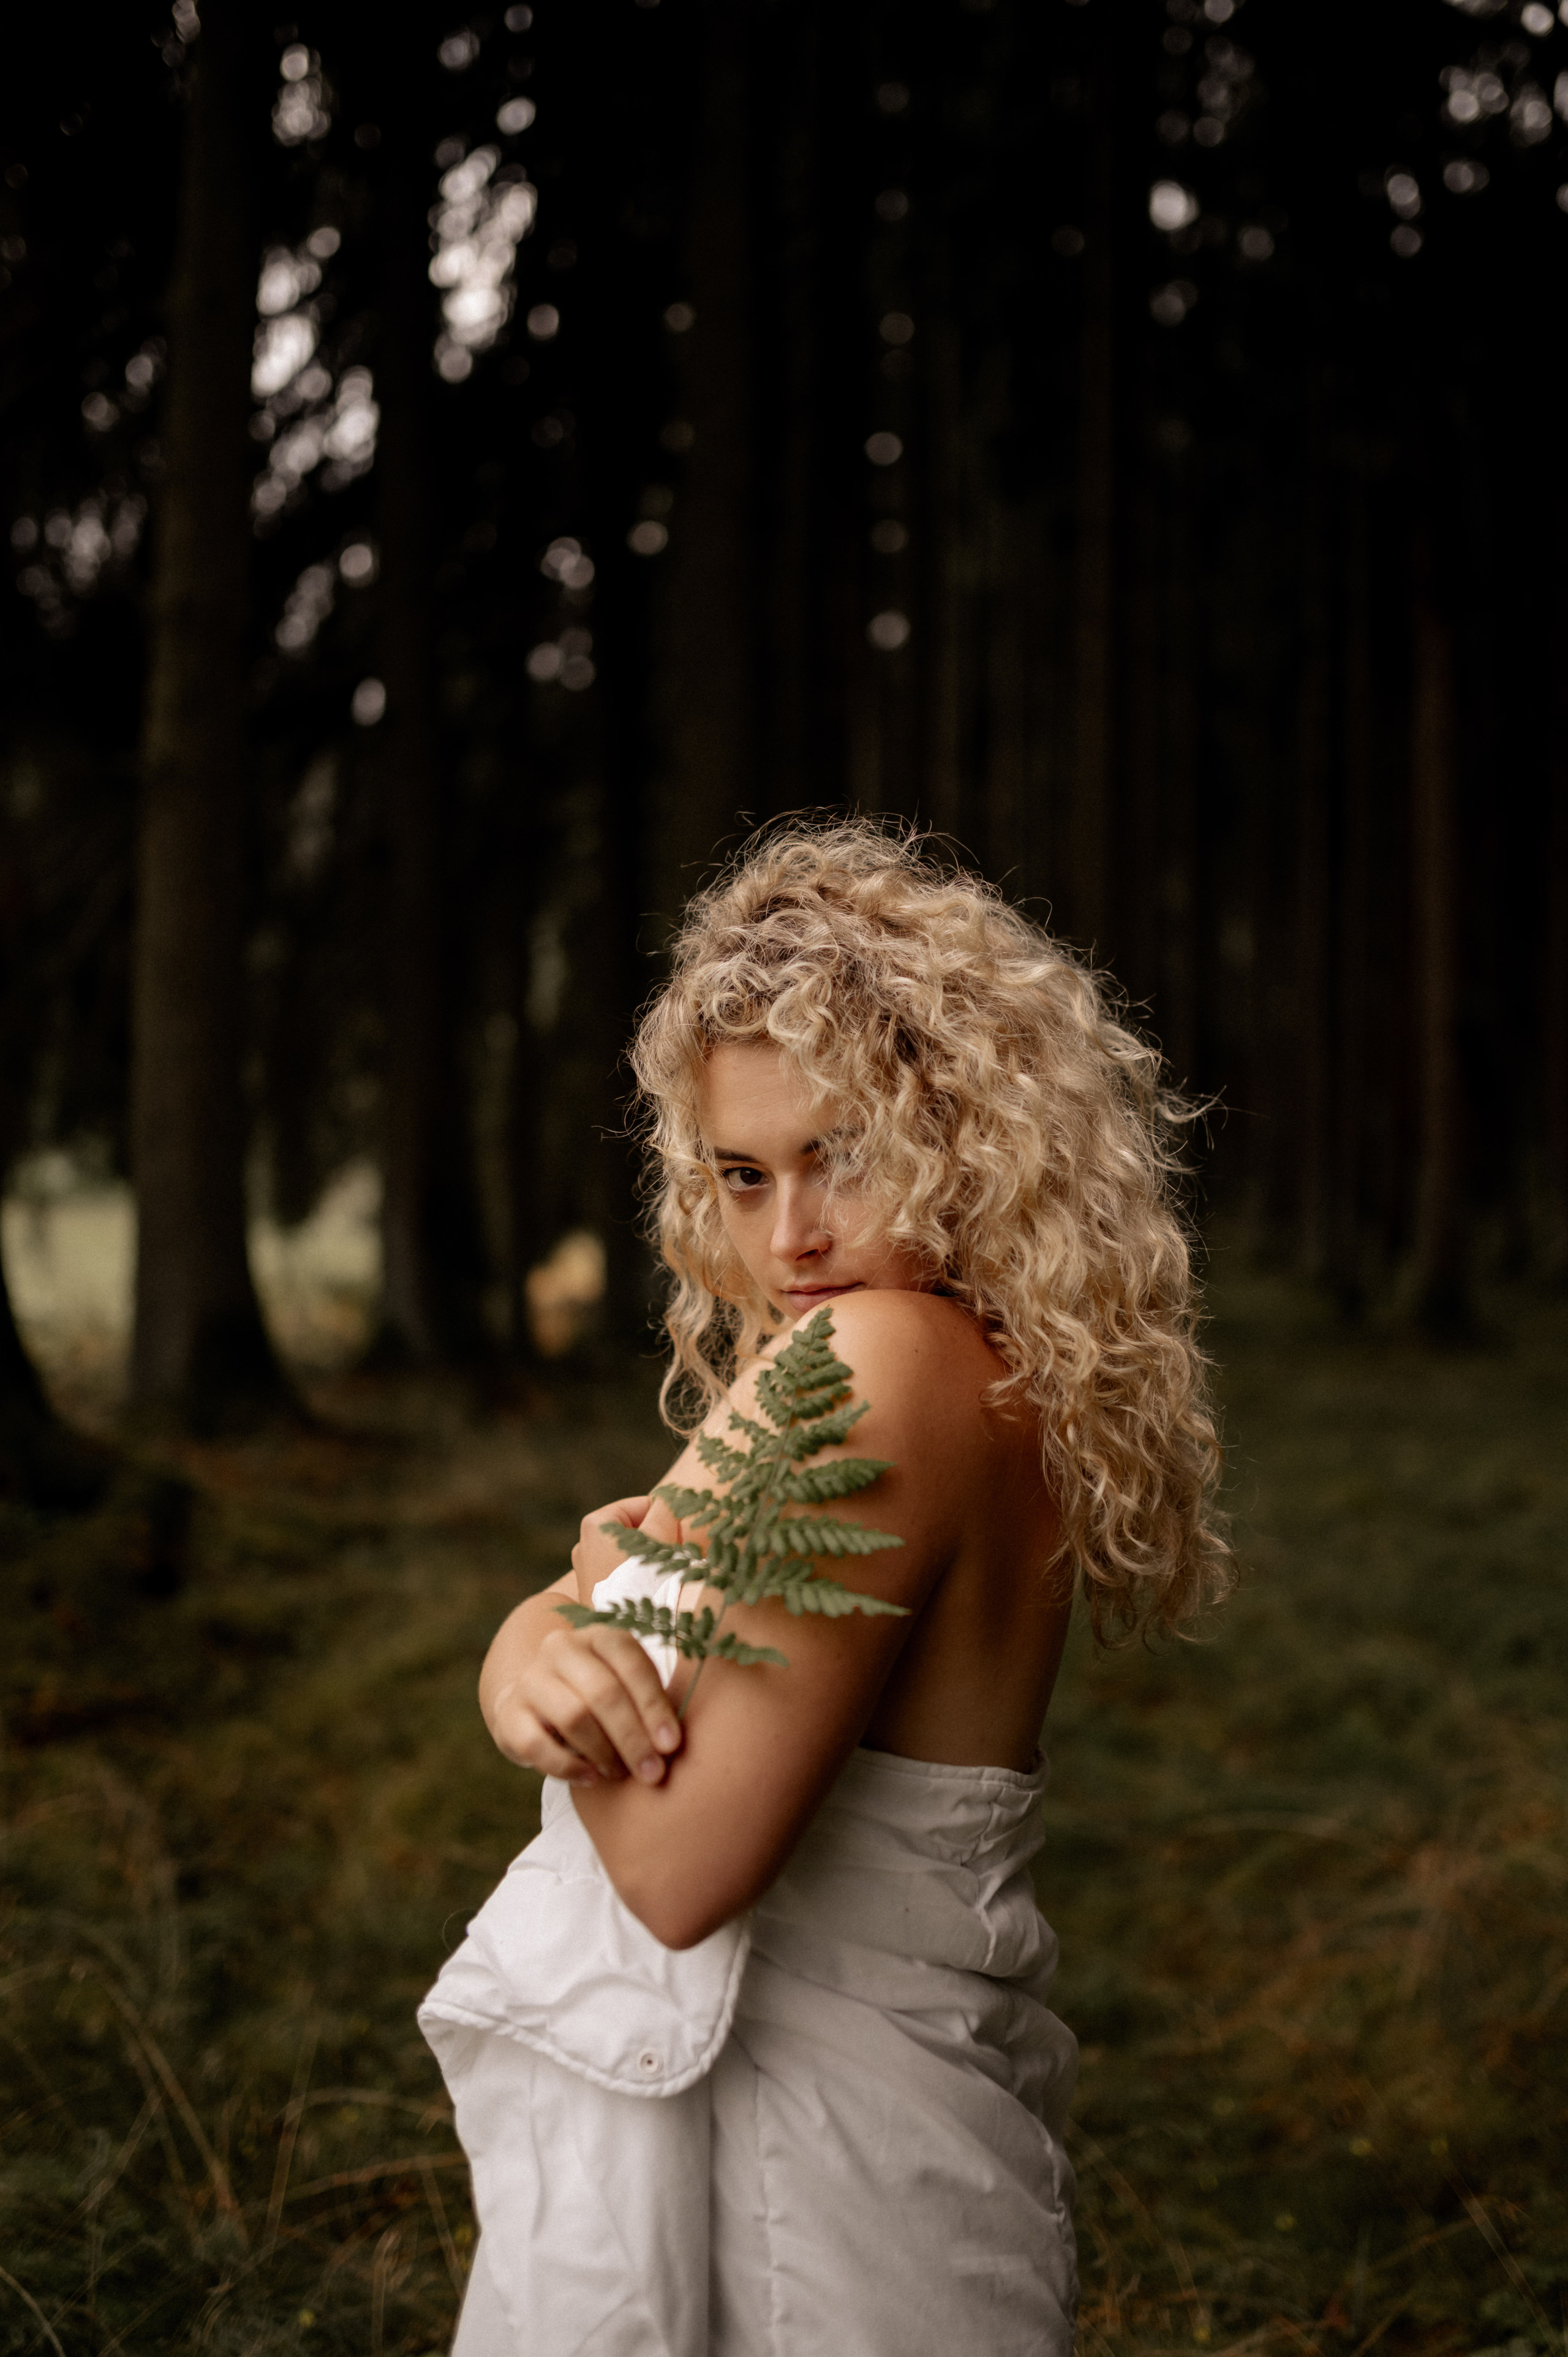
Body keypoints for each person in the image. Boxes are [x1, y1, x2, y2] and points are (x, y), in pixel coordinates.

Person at [420, 820, 1229, 2356]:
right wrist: (530, 1641)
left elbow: (673, 1870)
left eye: (839, 1157)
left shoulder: (880, 1358)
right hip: (879, 2158)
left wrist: (591, 1593)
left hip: (813, 2194)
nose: (788, 1235)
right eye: (740, 1173)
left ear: (965, 1138)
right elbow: (622, 1626)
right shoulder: (979, 1367)